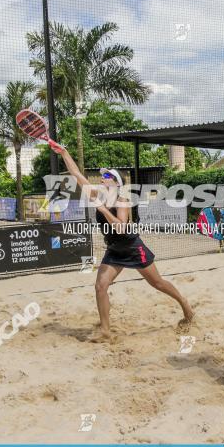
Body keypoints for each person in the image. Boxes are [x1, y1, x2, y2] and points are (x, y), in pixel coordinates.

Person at [49, 141, 194, 342]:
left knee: (157, 283)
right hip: (115, 250)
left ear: (116, 183)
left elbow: (120, 226)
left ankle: (185, 304)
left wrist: (101, 208)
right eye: (102, 175)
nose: (102, 178)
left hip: (132, 247)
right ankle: (106, 331)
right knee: (100, 286)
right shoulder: (97, 194)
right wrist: (63, 152)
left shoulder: (122, 200)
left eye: (107, 176)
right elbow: (77, 175)